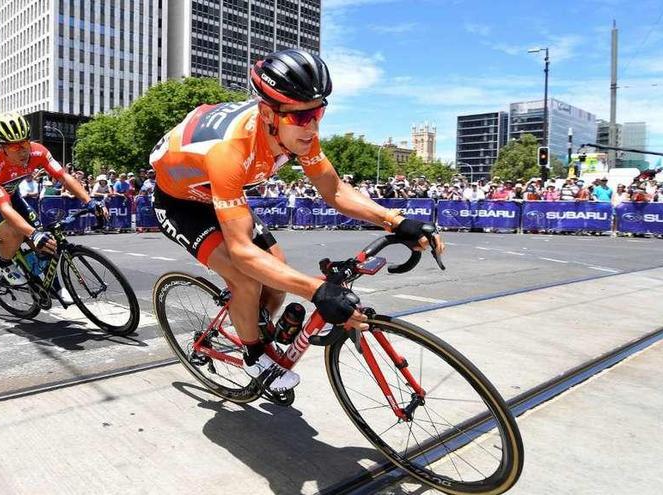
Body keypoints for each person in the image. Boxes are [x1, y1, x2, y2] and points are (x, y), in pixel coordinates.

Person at [148, 49, 444, 393]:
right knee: (245, 278)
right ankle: (254, 354)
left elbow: (334, 190)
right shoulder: (230, 152)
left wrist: (395, 220)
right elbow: (243, 252)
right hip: (180, 203)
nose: (314, 126)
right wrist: (317, 290)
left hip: (220, 194)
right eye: (303, 118)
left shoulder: (297, 131)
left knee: (276, 272)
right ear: (267, 113)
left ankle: (251, 323)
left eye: (319, 112)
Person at [0, 112, 108, 294]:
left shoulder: (38, 151)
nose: (23, 150)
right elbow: (4, 208)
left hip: (10, 193)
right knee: (15, 234)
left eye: (25, 142)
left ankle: (52, 286)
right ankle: (5, 264)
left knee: (47, 242)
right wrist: (32, 234)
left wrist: (90, 201)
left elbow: (64, 177)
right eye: (15, 147)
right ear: (1, 147)